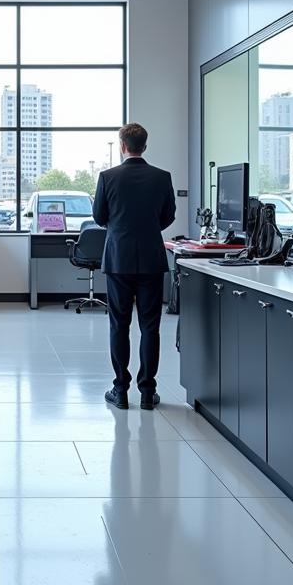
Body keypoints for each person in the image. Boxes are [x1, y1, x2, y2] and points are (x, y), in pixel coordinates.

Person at [92, 123, 176, 410]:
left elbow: (99, 216)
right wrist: (148, 228)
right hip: (152, 259)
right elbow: (168, 216)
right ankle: (147, 392)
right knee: (150, 327)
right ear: (145, 145)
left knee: (120, 325)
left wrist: (119, 228)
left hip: (118, 260)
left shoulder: (107, 177)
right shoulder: (162, 177)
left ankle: (121, 390)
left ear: (122, 145)